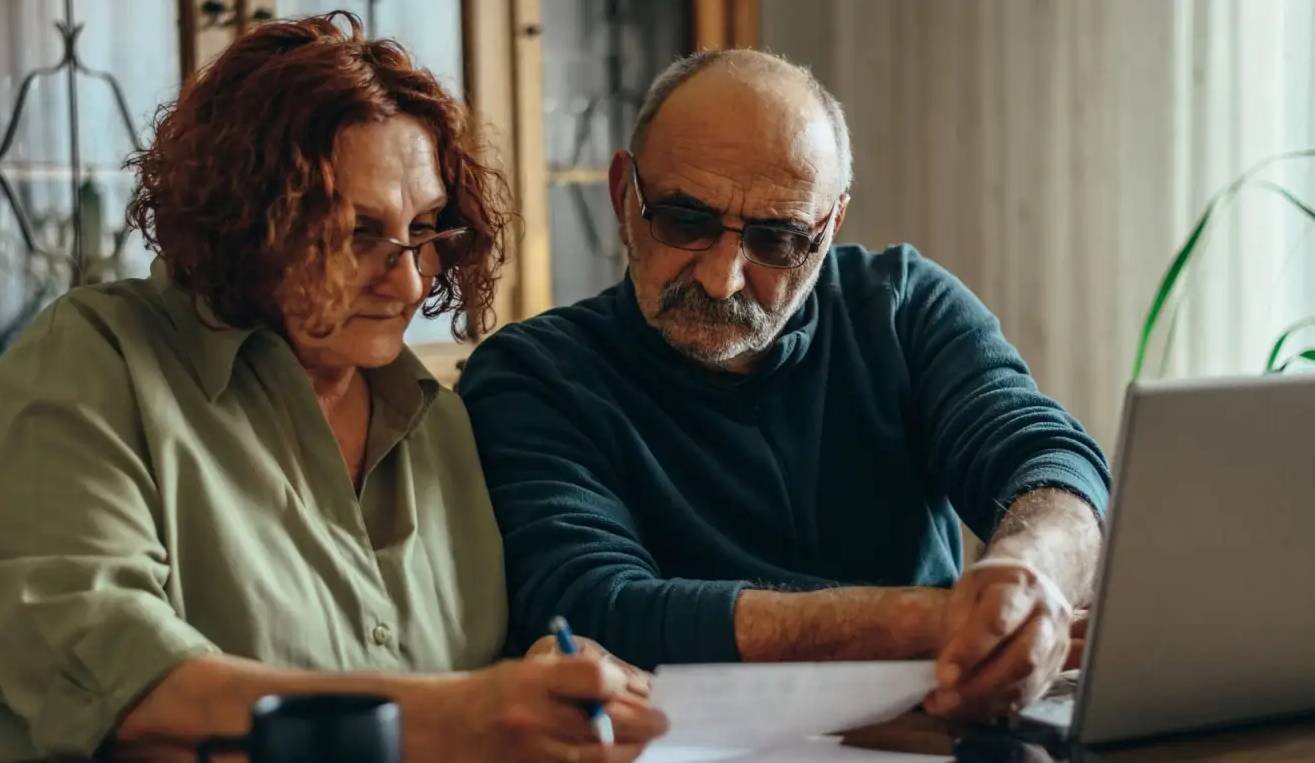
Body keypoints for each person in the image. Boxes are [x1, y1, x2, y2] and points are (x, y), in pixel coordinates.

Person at [0, 13, 665, 763]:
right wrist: (461, 717)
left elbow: (440, 677)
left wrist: (532, 678)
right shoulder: (89, 360)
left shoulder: (438, 419)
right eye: (358, 233)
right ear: (245, 220)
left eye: (425, 229)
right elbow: (123, 690)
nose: (409, 280)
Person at [456, 48, 1111, 724]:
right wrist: (928, 622)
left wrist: (1030, 575)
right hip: (691, 756)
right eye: (685, 220)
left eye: (778, 240)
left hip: (934, 736)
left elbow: (1048, 458)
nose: (723, 279)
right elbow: (595, 604)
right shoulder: (534, 375)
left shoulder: (903, 307)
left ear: (830, 227)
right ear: (625, 195)